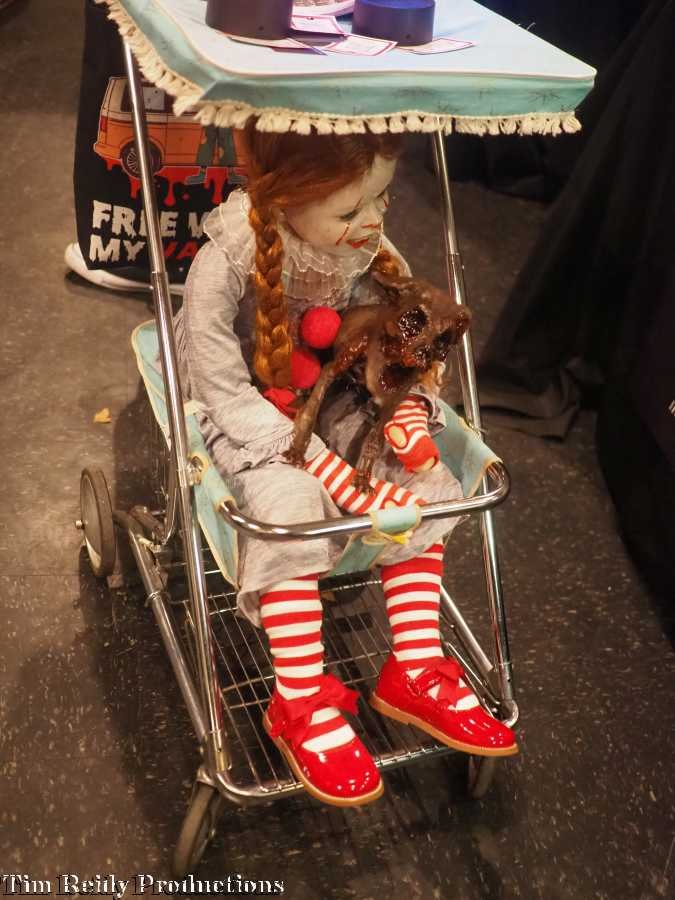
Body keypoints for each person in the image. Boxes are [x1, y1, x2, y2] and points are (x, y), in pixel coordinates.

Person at [174, 120, 517, 808]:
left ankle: (414, 666)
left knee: (423, 476)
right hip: (246, 412)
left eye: (382, 199)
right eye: (350, 211)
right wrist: (330, 474)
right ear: (284, 199)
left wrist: (405, 406)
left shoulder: (366, 254)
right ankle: (299, 700)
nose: (373, 221)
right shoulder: (226, 260)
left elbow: (392, 352)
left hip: (334, 390)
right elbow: (222, 390)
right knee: (290, 504)